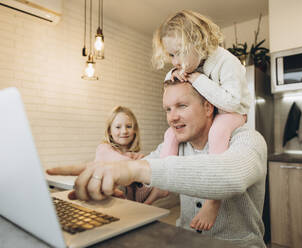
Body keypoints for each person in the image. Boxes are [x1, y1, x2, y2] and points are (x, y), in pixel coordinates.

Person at [47, 80, 267, 248]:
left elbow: (229, 176)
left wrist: (135, 168)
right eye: (168, 109)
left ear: (208, 107)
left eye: (181, 106)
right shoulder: (176, 146)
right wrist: (104, 169)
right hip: (185, 239)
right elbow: (144, 167)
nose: (172, 117)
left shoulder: (248, 139)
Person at [151, 10, 252, 231]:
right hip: (215, 111)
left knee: (217, 133)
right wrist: (172, 76)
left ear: (198, 42)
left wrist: (198, 79)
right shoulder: (187, 63)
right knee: (170, 135)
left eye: (179, 53)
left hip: (232, 112)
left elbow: (233, 102)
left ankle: (212, 200)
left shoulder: (227, 62)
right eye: (171, 56)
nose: (176, 61)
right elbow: (171, 80)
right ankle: (163, 182)